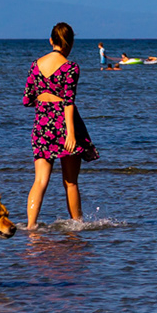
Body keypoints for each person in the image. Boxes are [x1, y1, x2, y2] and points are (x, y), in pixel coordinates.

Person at [24, 22, 98, 228]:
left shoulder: (35, 65)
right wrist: (71, 134)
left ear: (51, 40)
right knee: (71, 182)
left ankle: (31, 227)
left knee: (40, 181)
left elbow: (28, 99)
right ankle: (77, 225)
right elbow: (68, 101)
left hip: (41, 123)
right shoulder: (70, 67)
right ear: (70, 42)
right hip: (64, 124)